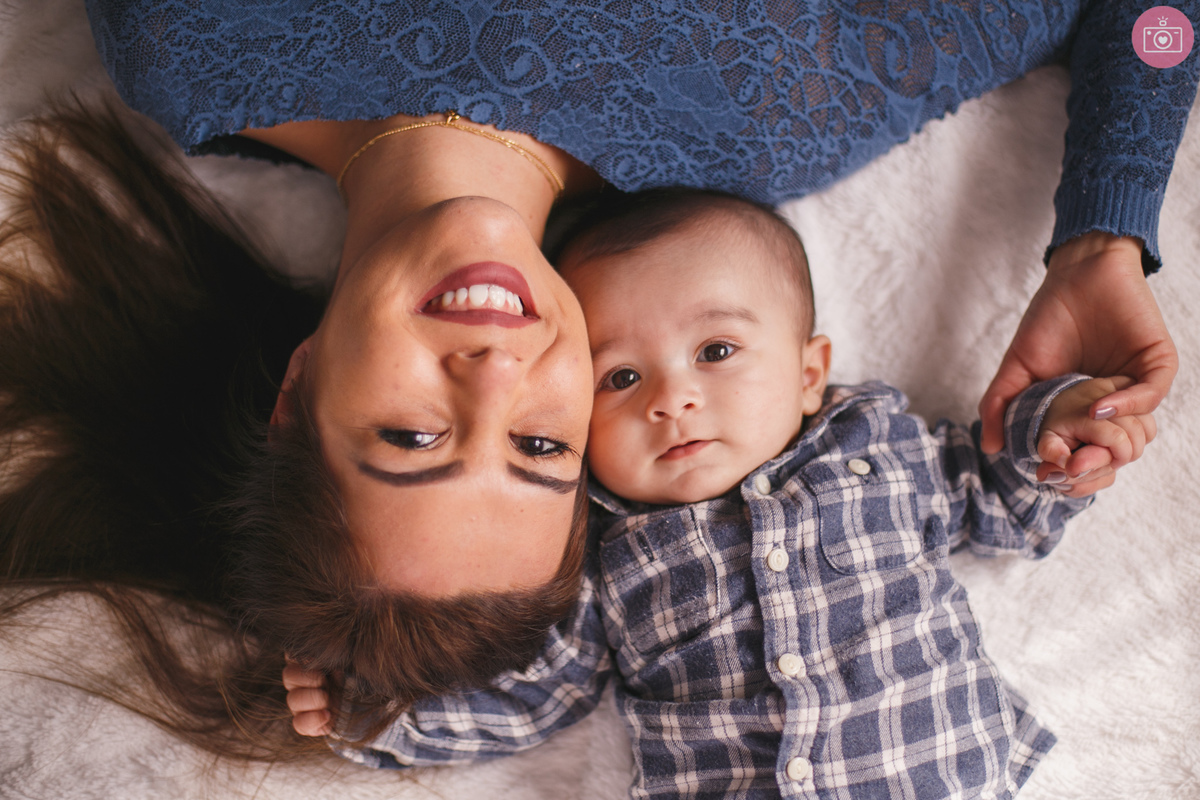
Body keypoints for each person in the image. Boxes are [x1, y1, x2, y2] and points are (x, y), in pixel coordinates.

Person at [0, 0, 1186, 758]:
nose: (497, 374)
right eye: (539, 447)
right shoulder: (778, 110)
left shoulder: (194, 46)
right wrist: (1104, 233)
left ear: (297, 389)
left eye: (412, 436)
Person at [285, 189, 1153, 797]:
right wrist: (380, 717)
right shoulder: (605, 545)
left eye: (717, 352)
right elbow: (538, 690)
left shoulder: (877, 444)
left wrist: (1059, 434)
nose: (672, 397)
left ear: (811, 373)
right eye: (619, 375)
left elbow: (998, 500)